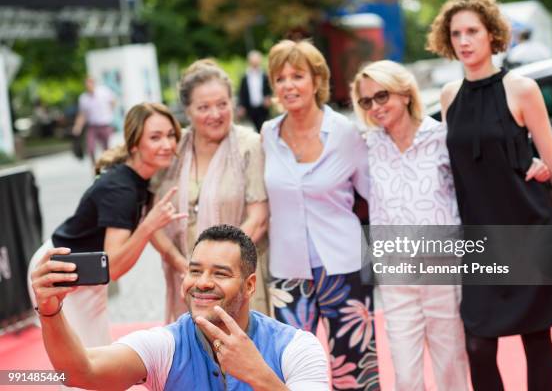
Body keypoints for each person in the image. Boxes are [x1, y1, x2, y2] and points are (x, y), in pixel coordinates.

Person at [427, 0, 552, 390]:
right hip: (480, 241)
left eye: (472, 31)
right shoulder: (448, 97)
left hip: (528, 229)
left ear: (492, 34)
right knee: (479, 345)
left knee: (536, 337)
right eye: (456, 32)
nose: (464, 40)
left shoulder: (522, 89)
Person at [30, 224, 329, 390]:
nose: (202, 283)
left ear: (250, 285)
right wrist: (50, 311)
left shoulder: (297, 347)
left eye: (220, 273)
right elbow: (79, 372)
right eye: (195, 270)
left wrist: (258, 375)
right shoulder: (165, 345)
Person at [262, 39, 380, 390]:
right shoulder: (268, 134)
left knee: (354, 365)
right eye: (280, 78)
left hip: (344, 265)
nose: (288, 85)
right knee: (291, 367)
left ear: (317, 81)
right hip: (287, 271)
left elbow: (376, 194)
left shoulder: (346, 133)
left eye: (297, 75)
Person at [27, 102, 186, 350]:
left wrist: (182, 264)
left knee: (96, 360)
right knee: (82, 368)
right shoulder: (121, 189)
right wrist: (148, 226)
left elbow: (147, 231)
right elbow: (114, 268)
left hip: (85, 274)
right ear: (134, 144)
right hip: (61, 274)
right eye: (155, 137)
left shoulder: (138, 178)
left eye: (170, 135)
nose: (167, 144)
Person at [351, 60, 469, 391]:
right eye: (366, 101)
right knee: (405, 375)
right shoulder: (366, 146)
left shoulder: (441, 136)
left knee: (451, 367)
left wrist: (531, 160)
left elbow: (480, 174)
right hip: (395, 275)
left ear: (405, 93)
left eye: (382, 96)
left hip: (443, 269)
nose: (375, 107)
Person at [153, 59, 270, 323]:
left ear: (232, 103)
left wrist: (218, 265)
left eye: (222, 104)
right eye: (203, 107)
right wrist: (182, 264)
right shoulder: (173, 148)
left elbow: (259, 219)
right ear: (187, 111)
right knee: (192, 356)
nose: (215, 114)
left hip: (235, 276)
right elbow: (149, 216)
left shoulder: (249, 145)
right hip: (185, 276)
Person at [72, 77, 117, 163]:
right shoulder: (83, 98)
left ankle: (110, 166)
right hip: (93, 126)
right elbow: (82, 114)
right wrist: (77, 127)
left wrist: (109, 113)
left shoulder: (104, 92)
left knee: (107, 148)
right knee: (90, 147)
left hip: (105, 124)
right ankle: (95, 167)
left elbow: (113, 102)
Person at [238, 50, 273, 132]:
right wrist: (241, 106)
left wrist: (268, 97)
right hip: (250, 108)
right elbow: (242, 93)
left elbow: (270, 88)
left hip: (263, 108)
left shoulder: (265, 75)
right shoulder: (245, 77)